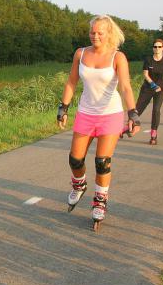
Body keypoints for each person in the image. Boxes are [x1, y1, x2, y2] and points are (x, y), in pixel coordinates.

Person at [57, 15, 140, 231]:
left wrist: (133, 113)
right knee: (75, 160)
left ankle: (100, 202)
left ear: (109, 34)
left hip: (110, 115)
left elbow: (126, 87)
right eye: (92, 32)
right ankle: (79, 184)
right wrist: (63, 108)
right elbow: (71, 82)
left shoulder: (118, 57)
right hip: (86, 113)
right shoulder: (81, 54)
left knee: (102, 161)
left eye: (100, 32)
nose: (95, 36)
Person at [134, 39, 163, 145]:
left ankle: (153, 134)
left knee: (156, 110)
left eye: (159, 47)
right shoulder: (148, 60)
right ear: (153, 48)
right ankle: (129, 126)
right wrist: (153, 85)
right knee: (138, 110)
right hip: (147, 88)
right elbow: (145, 74)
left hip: (160, 90)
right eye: (155, 47)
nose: (157, 49)